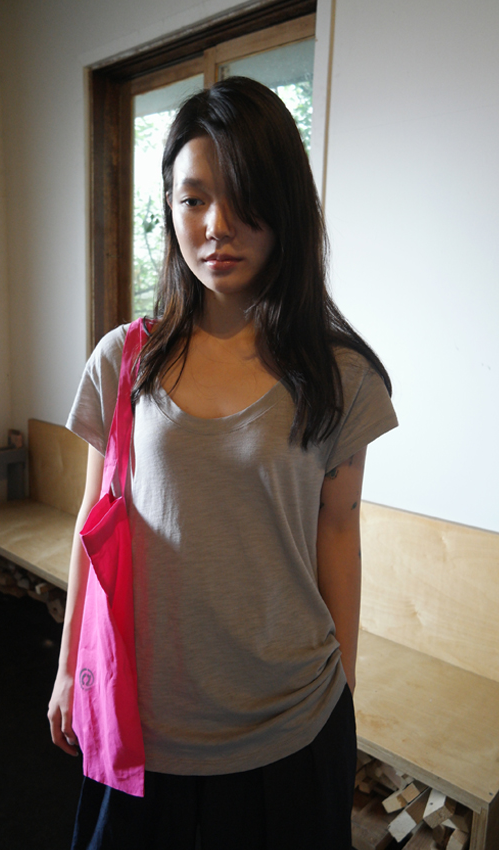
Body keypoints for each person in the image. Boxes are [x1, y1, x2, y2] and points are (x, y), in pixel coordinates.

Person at [48, 76, 398, 850]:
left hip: (291, 726)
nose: (215, 227)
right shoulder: (124, 361)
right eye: (193, 200)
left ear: (285, 205)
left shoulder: (341, 377)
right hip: (142, 721)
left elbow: (338, 533)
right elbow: (91, 519)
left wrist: (340, 690)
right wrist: (70, 666)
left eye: (241, 198)